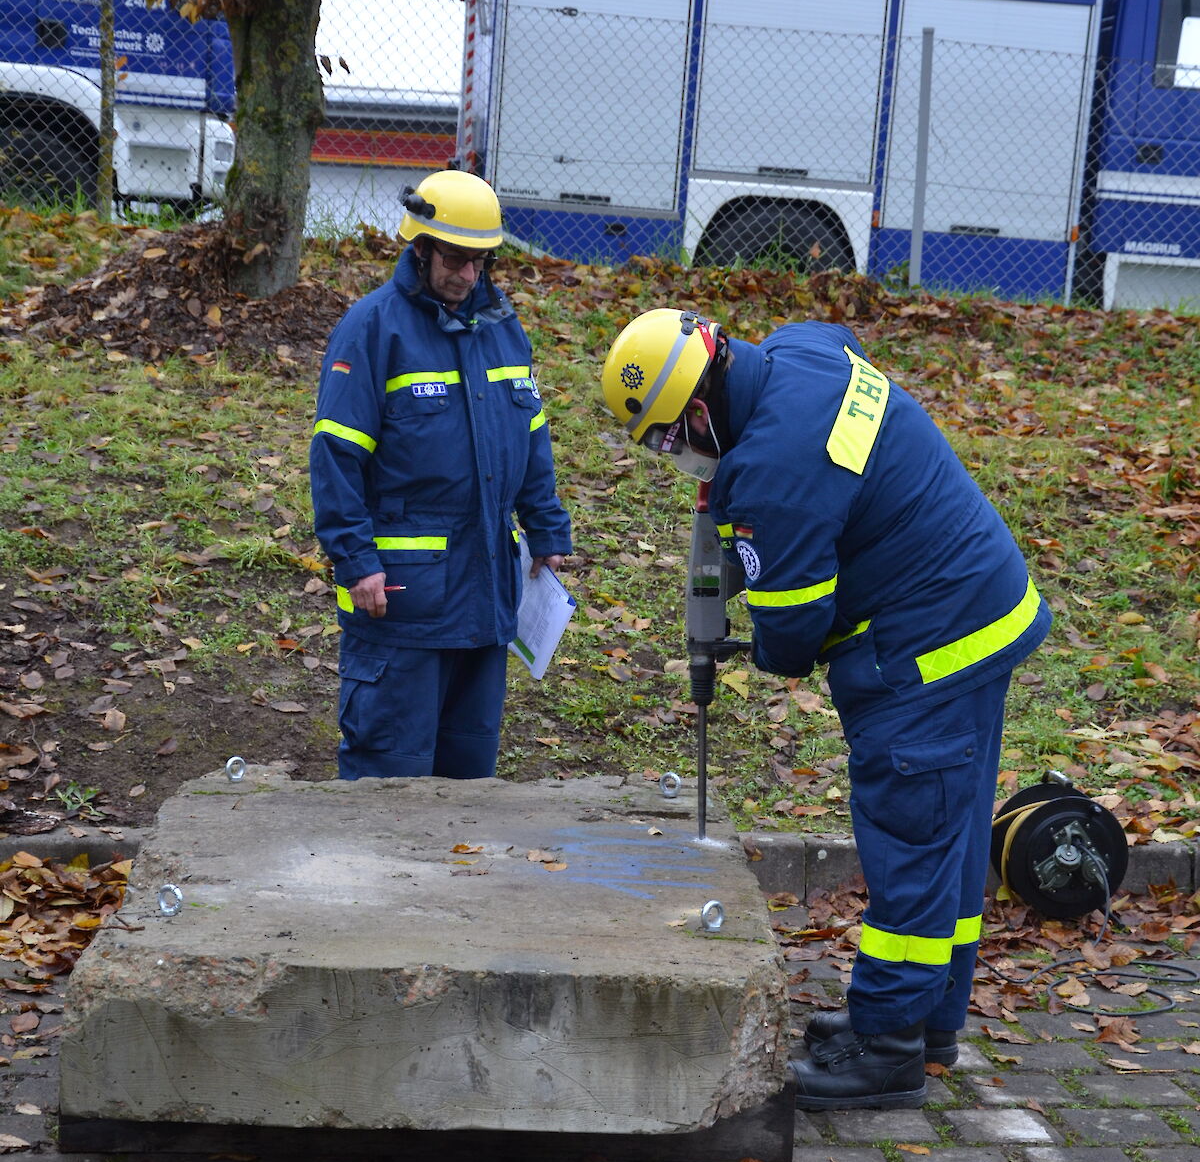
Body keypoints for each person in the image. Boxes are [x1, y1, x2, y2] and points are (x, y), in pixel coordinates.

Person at [600, 308, 1050, 1110]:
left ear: (700, 410)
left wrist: (749, 598)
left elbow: (793, 632)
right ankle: (927, 1022)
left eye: (669, 441)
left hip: (928, 650)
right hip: (985, 608)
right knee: (948, 834)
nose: (675, 458)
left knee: (910, 837)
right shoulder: (801, 351)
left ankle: (885, 1052)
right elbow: (845, 368)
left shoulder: (769, 470)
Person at [310, 169, 572, 780]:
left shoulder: (503, 329)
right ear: (420, 245)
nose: (468, 275)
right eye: (456, 258)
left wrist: (547, 527)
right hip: (401, 603)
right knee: (389, 778)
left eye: (480, 261)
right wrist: (356, 562)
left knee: (469, 782)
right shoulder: (373, 329)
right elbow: (336, 455)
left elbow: (530, 434)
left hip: (485, 599)